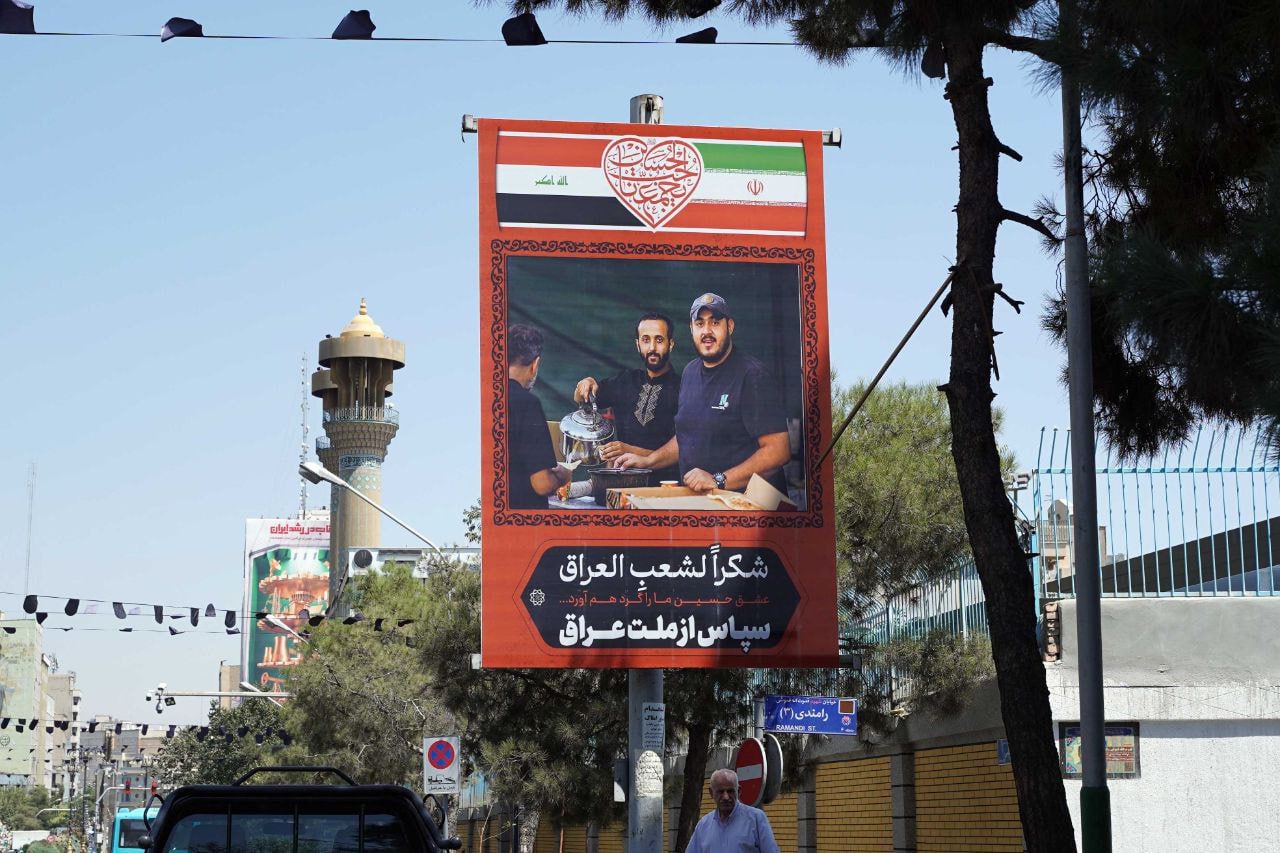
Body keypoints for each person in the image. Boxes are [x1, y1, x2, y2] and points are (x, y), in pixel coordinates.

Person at [617, 293, 791, 496]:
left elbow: (778, 451)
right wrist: (649, 461)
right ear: (691, 329)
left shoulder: (752, 375)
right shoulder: (690, 372)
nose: (707, 331)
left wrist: (718, 480)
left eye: (715, 322)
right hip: (705, 503)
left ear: (730, 326)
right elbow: (687, 437)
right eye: (700, 324)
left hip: (748, 506)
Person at [572, 313, 681, 482]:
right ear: (638, 345)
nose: (652, 347)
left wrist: (630, 450)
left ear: (670, 344)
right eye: (645, 340)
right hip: (623, 481)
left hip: (665, 486)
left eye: (659, 340)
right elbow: (581, 400)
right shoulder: (625, 380)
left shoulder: (684, 389)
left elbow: (683, 449)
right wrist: (585, 383)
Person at [506, 323, 571, 509]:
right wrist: (563, 475)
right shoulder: (527, 403)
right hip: (525, 519)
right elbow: (542, 484)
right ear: (535, 364)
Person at [686, 768, 780, 853]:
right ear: (711, 792)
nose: (726, 797)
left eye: (730, 791)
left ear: (738, 791)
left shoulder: (756, 819)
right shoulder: (703, 825)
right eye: (720, 792)